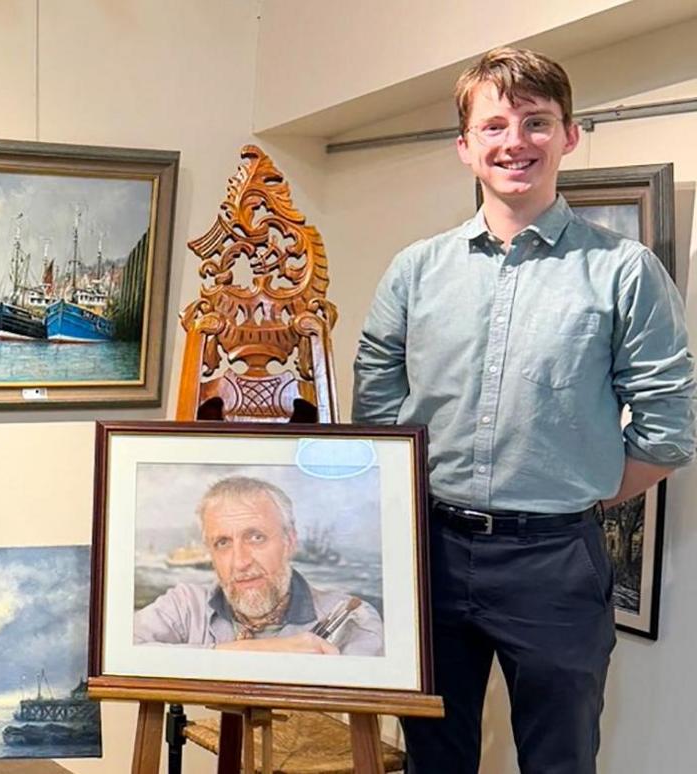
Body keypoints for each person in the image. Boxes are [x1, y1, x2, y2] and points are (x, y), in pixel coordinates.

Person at [353, 47, 695, 774]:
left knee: (559, 760)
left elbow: (669, 428)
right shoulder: (416, 270)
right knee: (432, 759)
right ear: (465, 146)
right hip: (431, 553)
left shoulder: (624, 272)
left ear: (569, 136)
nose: (517, 142)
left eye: (537, 122)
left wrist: (587, 491)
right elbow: (376, 402)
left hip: (556, 563)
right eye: (496, 125)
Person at [134, 476, 384, 656]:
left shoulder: (352, 619)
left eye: (256, 537)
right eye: (222, 543)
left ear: (289, 541)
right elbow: (119, 652)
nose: (241, 562)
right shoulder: (186, 605)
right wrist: (262, 650)